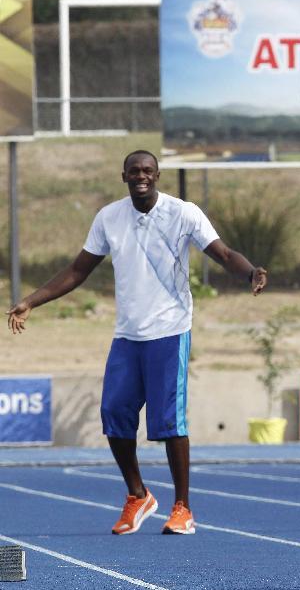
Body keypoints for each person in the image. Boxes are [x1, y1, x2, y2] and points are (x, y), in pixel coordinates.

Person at [7, 150, 268, 535]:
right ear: (124, 176)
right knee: (114, 414)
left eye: (147, 171)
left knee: (169, 422)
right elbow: (78, 270)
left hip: (170, 330)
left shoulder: (184, 213)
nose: (141, 176)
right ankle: (138, 494)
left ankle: (183, 507)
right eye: (134, 171)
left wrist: (250, 273)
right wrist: (31, 300)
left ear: (158, 175)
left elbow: (225, 254)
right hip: (127, 334)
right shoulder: (109, 218)